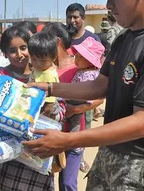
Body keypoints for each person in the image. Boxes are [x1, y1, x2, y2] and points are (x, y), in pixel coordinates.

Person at [24, 0, 144, 190]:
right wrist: (49, 88)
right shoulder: (124, 39)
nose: (108, 4)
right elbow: (100, 86)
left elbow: (143, 122)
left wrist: (67, 140)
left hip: (141, 165)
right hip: (109, 152)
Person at [0, 25, 65, 191]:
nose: (19, 55)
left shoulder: (46, 74)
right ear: (5, 53)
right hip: (11, 153)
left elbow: (62, 109)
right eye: (12, 50)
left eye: (23, 48)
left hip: (40, 146)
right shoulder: (0, 76)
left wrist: (49, 107)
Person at [59, 36, 104, 191]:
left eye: (80, 57)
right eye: (76, 56)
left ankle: (75, 144)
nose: (76, 59)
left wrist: (74, 107)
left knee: (67, 181)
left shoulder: (91, 74)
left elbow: (96, 97)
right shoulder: (81, 70)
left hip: (77, 104)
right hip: (70, 105)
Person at [28, 32, 60, 119]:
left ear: (54, 58)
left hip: (46, 113)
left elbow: (49, 104)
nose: (38, 64)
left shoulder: (49, 75)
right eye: (34, 59)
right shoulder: (39, 69)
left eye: (43, 60)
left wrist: (41, 118)